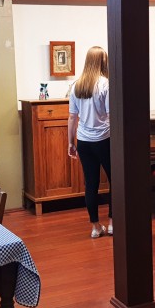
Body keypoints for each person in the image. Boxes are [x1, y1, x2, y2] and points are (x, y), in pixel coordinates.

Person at [68, 46, 112, 238]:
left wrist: (71, 143)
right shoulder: (105, 84)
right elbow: (111, 115)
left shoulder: (77, 85)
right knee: (114, 181)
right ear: (103, 62)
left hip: (84, 141)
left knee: (91, 184)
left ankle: (95, 227)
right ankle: (112, 223)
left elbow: (72, 117)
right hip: (104, 139)